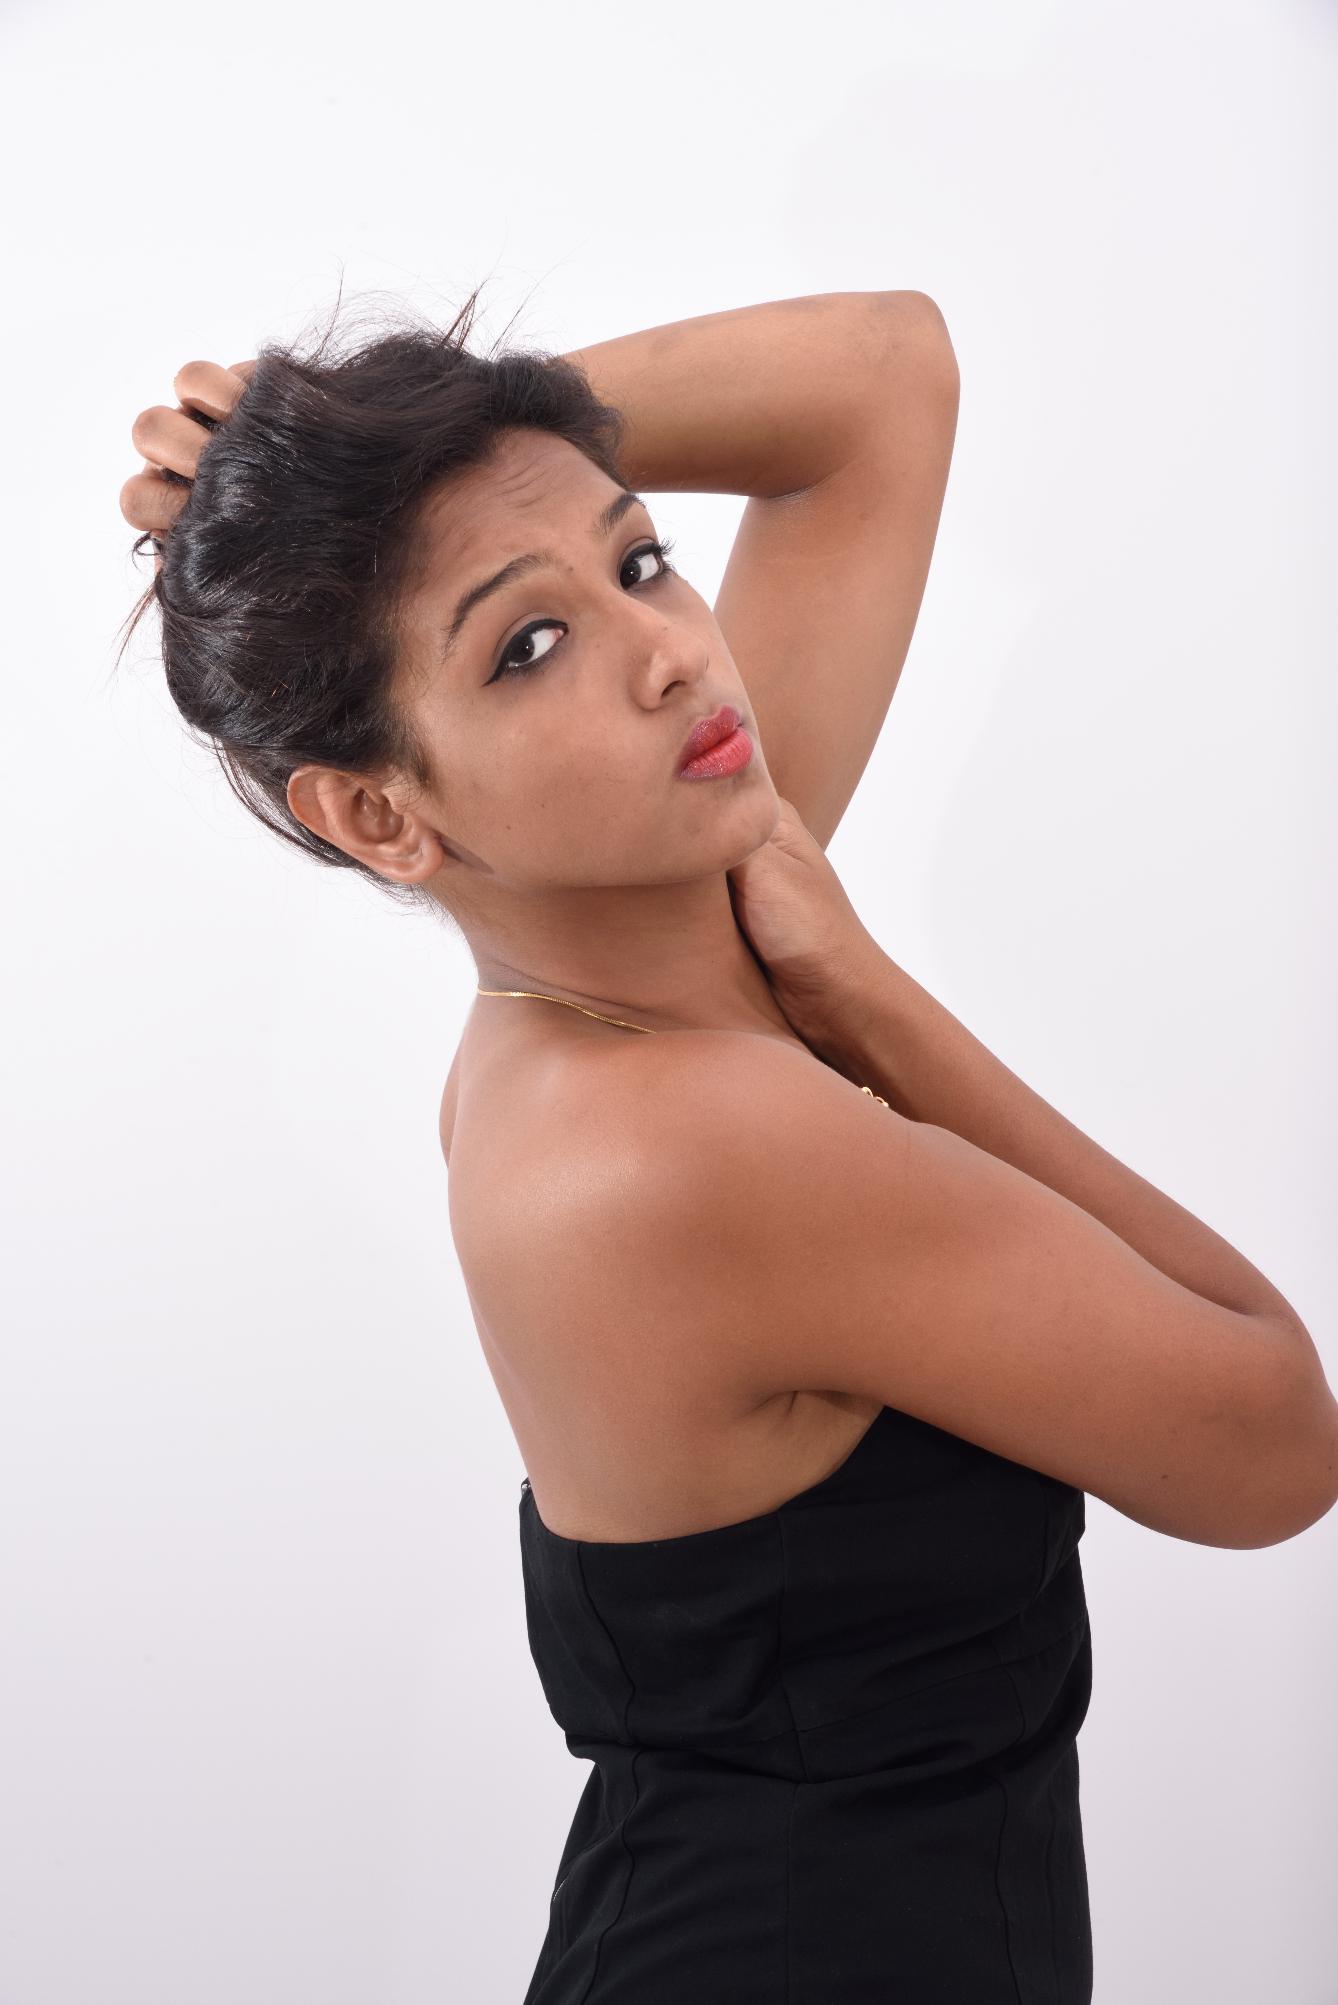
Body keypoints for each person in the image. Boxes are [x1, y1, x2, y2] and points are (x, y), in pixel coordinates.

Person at [118, 285, 1338, 2002]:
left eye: (639, 560)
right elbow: (1275, 1442)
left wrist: (407, 446)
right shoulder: (692, 1137)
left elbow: (878, 377)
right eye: (524, 646)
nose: (671, 653)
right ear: (380, 810)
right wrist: (873, 997)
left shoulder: (624, 968)